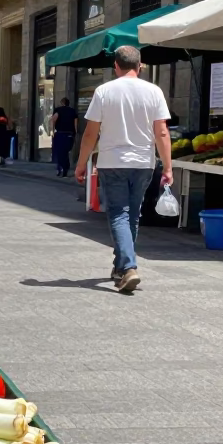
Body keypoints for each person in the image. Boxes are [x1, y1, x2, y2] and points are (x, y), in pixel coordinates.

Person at [75, 45, 172, 295]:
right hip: (143, 162)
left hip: (112, 161)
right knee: (133, 214)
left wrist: (81, 162)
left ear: (115, 66)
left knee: (119, 214)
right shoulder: (154, 91)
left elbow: (90, 133)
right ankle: (120, 267)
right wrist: (168, 166)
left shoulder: (104, 91)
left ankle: (128, 267)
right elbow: (161, 132)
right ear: (140, 66)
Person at [51, 97, 78, 177]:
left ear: (62, 103)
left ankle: (61, 168)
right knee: (65, 152)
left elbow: (53, 119)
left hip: (60, 133)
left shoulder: (58, 110)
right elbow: (75, 123)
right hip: (69, 134)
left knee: (59, 152)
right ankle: (65, 168)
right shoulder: (73, 111)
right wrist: (75, 133)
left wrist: (52, 130)